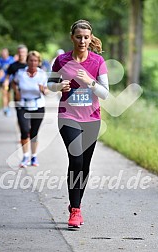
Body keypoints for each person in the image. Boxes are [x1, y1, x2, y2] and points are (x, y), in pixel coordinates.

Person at [48, 19, 109, 228]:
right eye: (78, 37)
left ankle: (77, 204)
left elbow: (106, 94)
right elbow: (50, 84)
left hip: (92, 119)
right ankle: (75, 211)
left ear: (90, 38)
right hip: (68, 116)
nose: (82, 41)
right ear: (72, 37)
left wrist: (91, 82)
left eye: (86, 37)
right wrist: (59, 87)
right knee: (75, 160)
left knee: (84, 165)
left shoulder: (98, 61)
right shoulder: (61, 60)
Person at [13, 51, 48, 168]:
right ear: (27, 61)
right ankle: (25, 157)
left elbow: (47, 91)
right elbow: (14, 82)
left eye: (35, 61)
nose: (33, 63)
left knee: (34, 133)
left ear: (38, 62)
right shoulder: (20, 73)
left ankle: (34, 156)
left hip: (38, 106)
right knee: (24, 130)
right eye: (31, 60)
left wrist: (43, 90)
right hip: (22, 105)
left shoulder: (42, 74)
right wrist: (16, 92)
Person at [3, 45, 28, 113]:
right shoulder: (13, 65)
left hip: (29, 91)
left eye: (23, 52)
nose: (21, 54)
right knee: (20, 112)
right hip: (17, 91)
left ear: (26, 53)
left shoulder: (31, 65)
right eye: (19, 52)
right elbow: (7, 77)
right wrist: (6, 83)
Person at [0, 48, 15, 116]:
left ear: (7, 53)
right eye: (2, 53)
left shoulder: (11, 60)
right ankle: (5, 108)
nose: (3, 55)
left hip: (10, 79)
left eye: (5, 53)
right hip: (2, 80)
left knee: (8, 94)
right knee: (4, 93)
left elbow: (13, 69)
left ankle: (8, 106)